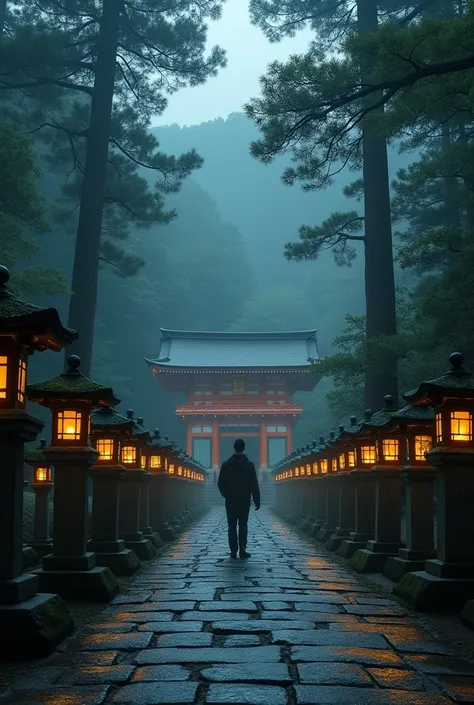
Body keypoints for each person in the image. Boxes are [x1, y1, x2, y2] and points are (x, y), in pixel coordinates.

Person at [218, 438, 261, 559]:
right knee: (243, 524)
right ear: (244, 448)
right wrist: (256, 499)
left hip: (231, 500)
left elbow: (220, 483)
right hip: (244, 499)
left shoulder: (226, 465)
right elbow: (254, 484)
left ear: (234, 447)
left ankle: (233, 551)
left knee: (231, 525)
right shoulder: (249, 465)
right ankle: (242, 549)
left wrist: (226, 494)